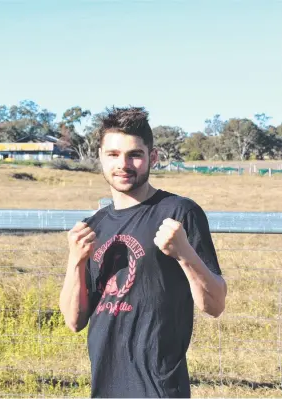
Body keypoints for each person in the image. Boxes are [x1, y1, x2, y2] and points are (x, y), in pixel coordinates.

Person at [59, 106, 227, 398]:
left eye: (134, 154)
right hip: (105, 385)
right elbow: (75, 321)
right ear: (100, 156)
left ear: (154, 157)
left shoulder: (179, 213)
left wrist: (184, 253)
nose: (123, 164)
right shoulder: (93, 226)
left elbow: (215, 305)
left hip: (160, 388)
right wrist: (75, 261)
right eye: (112, 154)